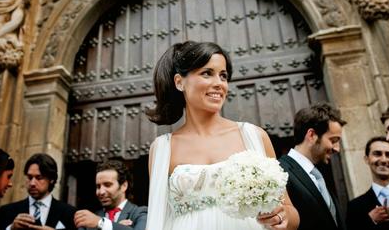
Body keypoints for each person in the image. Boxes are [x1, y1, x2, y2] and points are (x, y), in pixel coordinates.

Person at [145, 41, 299, 230]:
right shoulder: (162, 148)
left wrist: (282, 217)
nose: (219, 83)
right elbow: (157, 219)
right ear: (179, 82)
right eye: (207, 73)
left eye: (223, 76)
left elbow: (291, 213)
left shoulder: (254, 136)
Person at [279, 102, 347, 230]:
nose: (337, 149)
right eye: (333, 141)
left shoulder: (320, 175)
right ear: (311, 135)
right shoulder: (280, 172)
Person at [0, 153, 76, 230]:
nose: (32, 183)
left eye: (39, 177)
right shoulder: (6, 211)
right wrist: (11, 228)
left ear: (51, 179)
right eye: (29, 177)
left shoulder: (70, 213)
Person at [74, 160, 147, 230]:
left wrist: (101, 223)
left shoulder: (140, 213)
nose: (101, 192)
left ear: (124, 186)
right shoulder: (88, 220)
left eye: (107, 185)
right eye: (98, 186)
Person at [346, 136, 389, 229]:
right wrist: (370, 221)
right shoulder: (355, 207)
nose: (383, 160)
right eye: (377, 154)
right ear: (366, 159)